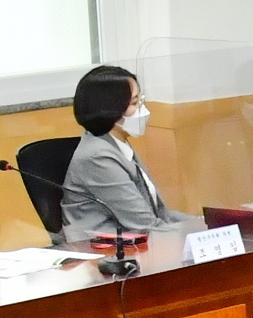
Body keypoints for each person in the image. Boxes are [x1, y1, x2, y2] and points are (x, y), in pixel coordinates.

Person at [58, 64, 178, 242]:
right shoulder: (97, 157)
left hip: (136, 242)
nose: (142, 110)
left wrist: (205, 223)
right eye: (135, 103)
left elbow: (162, 215)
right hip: (105, 250)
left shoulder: (117, 145)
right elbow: (143, 224)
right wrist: (192, 233)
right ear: (111, 109)